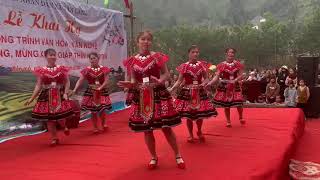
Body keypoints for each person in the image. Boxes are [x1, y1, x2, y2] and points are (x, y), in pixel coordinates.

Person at [117, 31, 185, 169]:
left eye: (148, 39)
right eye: (143, 39)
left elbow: (165, 74)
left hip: (158, 94)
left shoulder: (158, 57)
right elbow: (133, 79)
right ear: (138, 41)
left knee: (166, 127)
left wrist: (159, 81)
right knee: (147, 129)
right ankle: (153, 157)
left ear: (151, 42)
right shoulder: (132, 61)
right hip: (142, 96)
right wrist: (130, 85)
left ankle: (178, 155)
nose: (146, 42)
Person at [25, 48, 74, 146]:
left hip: (59, 94)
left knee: (61, 116)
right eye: (50, 55)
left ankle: (64, 126)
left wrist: (65, 92)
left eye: (54, 55)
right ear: (46, 56)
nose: (53, 57)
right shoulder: (41, 70)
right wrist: (32, 98)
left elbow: (67, 81)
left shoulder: (61, 68)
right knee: (49, 119)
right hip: (46, 95)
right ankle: (54, 138)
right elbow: (38, 85)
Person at [169, 45, 217, 143]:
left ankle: (199, 131)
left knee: (200, 114)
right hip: (187, 92)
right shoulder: (184, 66)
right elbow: (179, 80)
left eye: (197, 52)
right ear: (189, 53)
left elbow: (206, 78)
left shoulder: (202, 65)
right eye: (193, 52)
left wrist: (203, 84)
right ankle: (191, 135)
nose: (195, 54)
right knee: (189, 116)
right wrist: (172, 88)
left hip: (199, 92)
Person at [71, 52, 112, 133]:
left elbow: (106, 81)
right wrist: (74, 89)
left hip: (101, 91)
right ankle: (95, 127)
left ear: (98, 58)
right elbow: (80, 80)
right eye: (91, 58)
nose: (93, 60)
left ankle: (103, 124)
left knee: (102, 109)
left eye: (94, 58)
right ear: (89, 60)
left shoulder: (104, 69)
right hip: (91, 92)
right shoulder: (87, 70)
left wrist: (100, 87)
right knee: (93, 111)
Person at [207, 48, 245, 127]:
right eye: (229, 52)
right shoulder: (221, 65)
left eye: (233, 52)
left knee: (239, 103)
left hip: (235, 85)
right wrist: (210, 83)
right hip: (225, 86)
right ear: (226, 54)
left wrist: (236, 80)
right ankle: (228, 121)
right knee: (226, 105)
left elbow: (241, 75)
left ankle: (240, 117)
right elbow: (216, 77)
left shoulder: (238, 64)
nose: (231, 54)